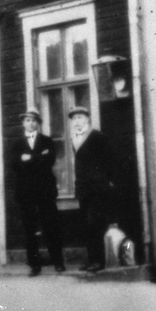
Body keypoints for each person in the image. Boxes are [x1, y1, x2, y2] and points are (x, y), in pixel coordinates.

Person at [9, 109, 65, 276]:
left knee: (51, 226)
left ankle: (58, 262)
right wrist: (39, 156)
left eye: (34, 120)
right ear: (23, 123)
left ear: (38, 123)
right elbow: (15, 165)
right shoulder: (17, 144)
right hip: (26, 192)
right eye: (27, 120)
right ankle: (34, 265)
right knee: (29, 229)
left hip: (45, 190)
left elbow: (50, 161)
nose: (31, 123)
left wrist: (28, 159)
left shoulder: (47, 141)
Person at [69, 106, 115, 273]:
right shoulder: (74, 138)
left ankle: (99, 261)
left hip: (98, 188)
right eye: (74, 118)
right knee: (87, 225)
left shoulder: (97, 136)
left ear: (87, 119)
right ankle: (92, 260)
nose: (77, 121)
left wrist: (107, 180)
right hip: (83, 189)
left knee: (95, 223)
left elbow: (109, 159)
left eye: (80, 117)